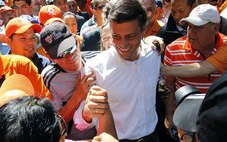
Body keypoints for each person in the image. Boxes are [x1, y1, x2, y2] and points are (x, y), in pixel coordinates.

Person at [74, 0, 161, 141]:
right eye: (116, 37)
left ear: (143, 31)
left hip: (153, 136)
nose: (123, 44)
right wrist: (87, 113)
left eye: (131, 36)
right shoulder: (95, 67)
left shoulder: (154, 54)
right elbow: (80, 121)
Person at [163, 3, 224, 139]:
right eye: (189, 26)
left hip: (220, 125)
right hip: (186, 125)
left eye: (198, 27)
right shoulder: (172, 49)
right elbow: (169, 84)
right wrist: (169, 115)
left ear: (216, 28)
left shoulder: (225, 48)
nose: (191, 32)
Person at [40, 22, 100, 140]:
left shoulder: (98, 59)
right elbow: (54, 125)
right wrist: (78, 96)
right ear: (50, 57)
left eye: (70, 48)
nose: (69, 56)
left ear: (76, 40)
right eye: (60, 54)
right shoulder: (49, 78)